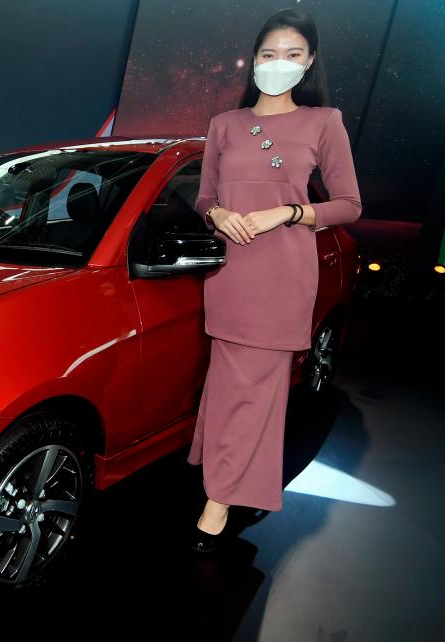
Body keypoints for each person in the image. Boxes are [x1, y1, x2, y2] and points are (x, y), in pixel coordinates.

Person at [189, 8, 362, 553]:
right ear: (254, 60)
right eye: (269, 54)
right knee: (228, 390)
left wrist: (288, 213)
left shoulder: (323, 121)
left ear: (308, 63)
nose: (278, 64)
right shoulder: (224, 124)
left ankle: (216, 505)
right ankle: (238, 483)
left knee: (255, 394)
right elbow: (205, 197)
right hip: (231, 273)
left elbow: (349, 205)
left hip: (282, 277)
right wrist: (217, 216)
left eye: (292, 55)